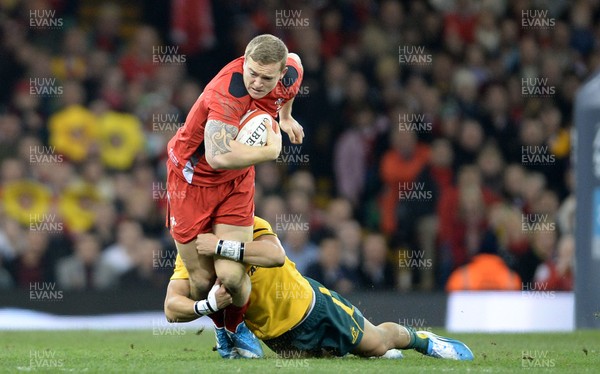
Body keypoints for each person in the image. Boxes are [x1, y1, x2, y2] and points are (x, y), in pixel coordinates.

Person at [165, 34, 305, 358]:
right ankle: (221, 328)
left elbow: (291, 83)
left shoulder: (291, 73)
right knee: (201, 280)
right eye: (252, 72)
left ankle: (235, 329)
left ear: (281, 72)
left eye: (266, 77)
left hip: (235, 182)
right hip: (191, 181)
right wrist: (270, 149)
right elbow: (217, 156)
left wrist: (285, 118)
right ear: (245, 59)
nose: (257, 82)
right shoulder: (226, 92)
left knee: (230, 273)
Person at [164, 217, 474, 361]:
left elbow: (276, 256)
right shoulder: (193, 253)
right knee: (329, 362)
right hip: (277, 339)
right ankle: (231, 331)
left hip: (313, 310)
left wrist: (222, 246)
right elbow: (171, 307)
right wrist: (207, 305)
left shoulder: (248, 224)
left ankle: (422, 340)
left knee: (377, 343)